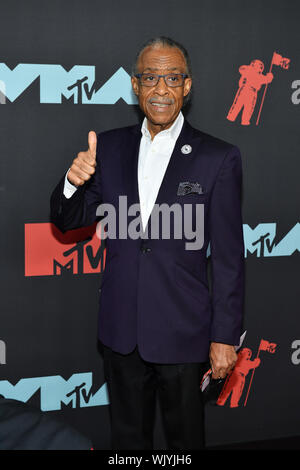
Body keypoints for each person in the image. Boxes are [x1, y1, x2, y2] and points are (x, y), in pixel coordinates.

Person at [50, 36, 245, 450]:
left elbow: (229, 258)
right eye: (151, 78)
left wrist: (224, 336)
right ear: (135, 86)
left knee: (184, 444)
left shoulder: (218, 157)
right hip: (121, 333)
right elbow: (68, 223)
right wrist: (72, 182)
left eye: (172, 78)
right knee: (127, 444)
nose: (161, 89)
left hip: (184, 332)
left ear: (187, 86)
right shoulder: (109, 147)